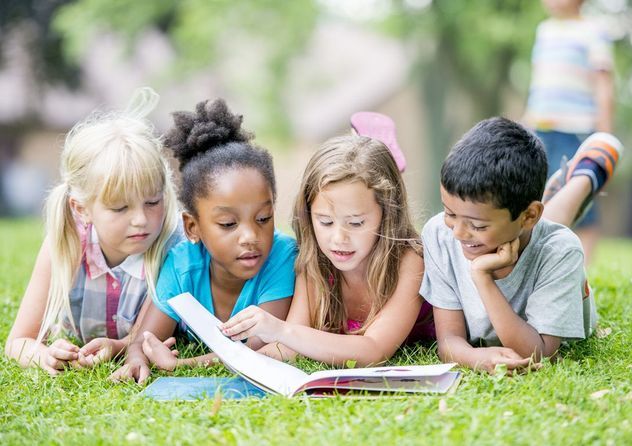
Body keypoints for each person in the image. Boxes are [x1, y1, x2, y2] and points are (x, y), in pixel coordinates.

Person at [110, 98, 297, 383]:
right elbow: (144, 339)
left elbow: (256, 348)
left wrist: (182, 365)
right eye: (228, 224)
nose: (250, 237)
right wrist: (137, 359)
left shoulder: (282, 256)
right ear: (193, 227)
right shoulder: (182, 264)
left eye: (263, 219)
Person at [421, 117, 623, 373]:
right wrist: (475, 358)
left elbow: (540, 353)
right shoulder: (440, 234)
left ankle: (586, 175)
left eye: (478, 225)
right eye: (450, 213)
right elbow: (448, 340)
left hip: (538, 232)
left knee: (547, 235)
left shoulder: (560, 252)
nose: (458, 233)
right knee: (538, 226)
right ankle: (559, 191)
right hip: (525, 221)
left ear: (529, 215)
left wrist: (482, 277)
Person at [4, 88, 182, 375]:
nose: (141, 220)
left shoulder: (171, 248)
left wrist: (118, 347)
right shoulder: (66, 244)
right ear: (82, 208)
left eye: (152, 202)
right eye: (120, 208)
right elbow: (19, 341)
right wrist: (45, 355)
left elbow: (145, 340)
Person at [219, 131, 435, 367]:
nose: (338, 238)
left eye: (355, 223)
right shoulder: (315, 262)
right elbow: (290, 346)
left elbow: (374, 350)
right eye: (325, 222)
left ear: (387, 215)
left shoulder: (408, 261)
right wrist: (209, 361)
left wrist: (280, 330)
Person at [523, 0, 615, 262]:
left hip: (576, 129)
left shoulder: (593, 31)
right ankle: (545, 263)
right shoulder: (545, 31)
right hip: (541, 129)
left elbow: (603, 86)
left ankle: (584, 270)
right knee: (540, 197)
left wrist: (604, 137)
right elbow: (538, 84)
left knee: (581, 196)